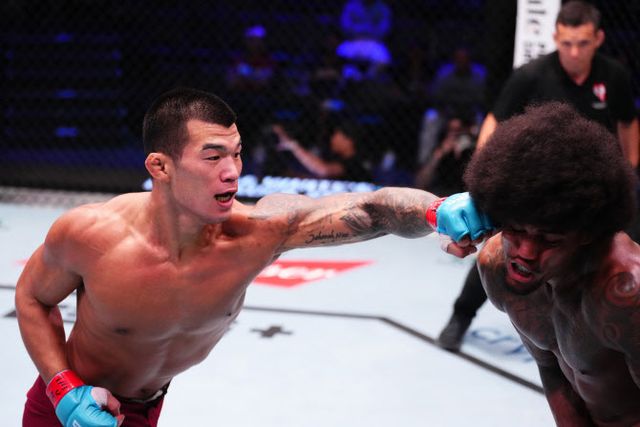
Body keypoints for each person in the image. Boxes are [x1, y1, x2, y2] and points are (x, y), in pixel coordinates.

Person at [16, 87, 493, 427]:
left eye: (237, 153)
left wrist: (436, 210)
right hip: (68, 406)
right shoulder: (92, 235)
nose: (232, 172)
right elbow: (33, 298)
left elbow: (372, 209)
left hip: (147, 407)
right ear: (160, 166)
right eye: (212, 157)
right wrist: (63, 389)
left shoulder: (256, 234)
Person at [436, 0, 640, 352]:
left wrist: (628, 173)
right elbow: (494, 121)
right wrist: (484, 182)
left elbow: (627, 123)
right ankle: (460, 316)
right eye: (567, 43)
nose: (574, 52)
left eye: (583, 43)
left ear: (598, 39)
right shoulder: (532, 75)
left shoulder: (613, 76)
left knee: (620, 254)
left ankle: (603, 340)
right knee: (501, 252)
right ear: (555, 38)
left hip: (589, 196)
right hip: (533, 192)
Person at [467, 101, 640, 426]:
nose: (526, 253)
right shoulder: (498, 267)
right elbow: (549, 366)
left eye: (550, 240)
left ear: (586, 234)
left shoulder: (627, 292)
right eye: (516, 230)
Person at [270, 121, 373, 182]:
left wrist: (293, 146)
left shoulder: (356, 162)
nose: (332, 140)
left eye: (336, 137)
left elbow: (324, 170)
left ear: (348, 141)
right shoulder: (338, 158)